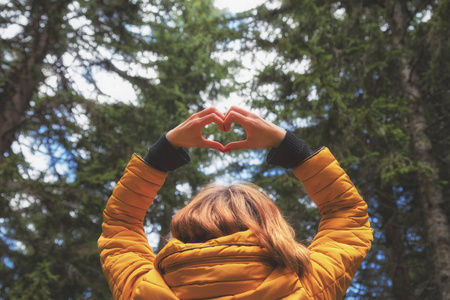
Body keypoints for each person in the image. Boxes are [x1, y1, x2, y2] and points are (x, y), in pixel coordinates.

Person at [98, 106, 373, 300]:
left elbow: (120, 227)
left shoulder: (145, 291)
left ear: (186, 226)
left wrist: (160, 154)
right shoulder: (305, 286)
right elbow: (346, 215)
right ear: (270, 226)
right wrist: (291, 148)